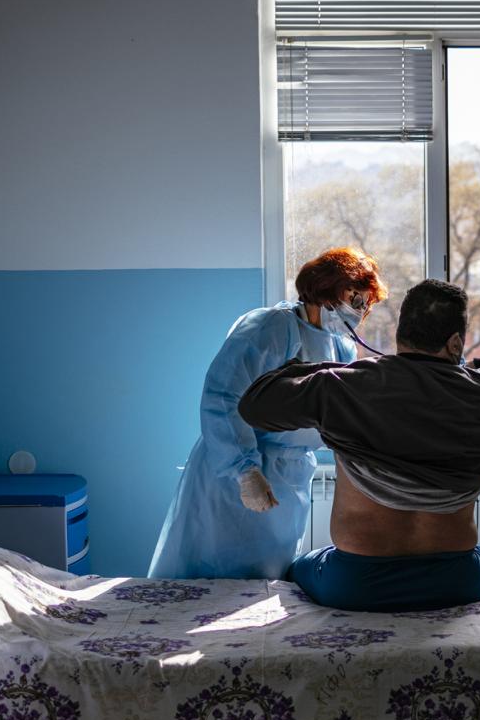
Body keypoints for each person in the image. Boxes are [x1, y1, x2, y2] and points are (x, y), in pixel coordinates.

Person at [238, 279, 480, 612]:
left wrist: (326, 372)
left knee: (298, 568)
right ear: (455, 342)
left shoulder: (345, 386)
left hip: (356, 582)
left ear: (400, 334)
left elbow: (254, 404)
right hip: (456, 580)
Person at [148, 248, 387, 580]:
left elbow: (334, 410)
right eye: (355, 298)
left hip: (291, 476)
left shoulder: (340, 345)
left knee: (267, 579)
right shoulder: (273, 327)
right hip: (238, 473)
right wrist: (244, 471)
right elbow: (222, 396)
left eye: (366, 304)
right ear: (328, 288)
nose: (361, 311)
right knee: (213, 575)